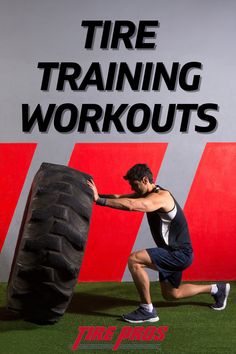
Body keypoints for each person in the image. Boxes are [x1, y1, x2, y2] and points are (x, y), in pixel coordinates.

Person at [87, 163, 230, 323]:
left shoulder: (160, 197)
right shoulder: (147, 192)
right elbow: (121, 198)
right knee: (171, 294)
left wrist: (99, 201)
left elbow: (134, 205)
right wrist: (96, 196)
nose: (134, 190)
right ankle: (217, 289)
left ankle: (147, 309)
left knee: (135, 260)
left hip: (179, 254)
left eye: (135, 185)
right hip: (173, 252)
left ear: (145, 180)